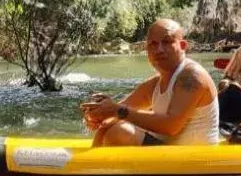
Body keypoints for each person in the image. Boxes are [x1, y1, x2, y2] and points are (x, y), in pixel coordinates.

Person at [82, 19, 220, 147]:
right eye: (153, 44)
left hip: (194, 161)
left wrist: (116, 111)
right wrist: (99, 116)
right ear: (147, 49)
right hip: (167, 156)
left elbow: (171, 126)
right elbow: (118, 112)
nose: (158, 49)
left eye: (166, 42)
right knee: (111, 126)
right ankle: (87, 169)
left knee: (120, 132)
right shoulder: (155, 84)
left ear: (183, 46)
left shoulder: (192, 76)